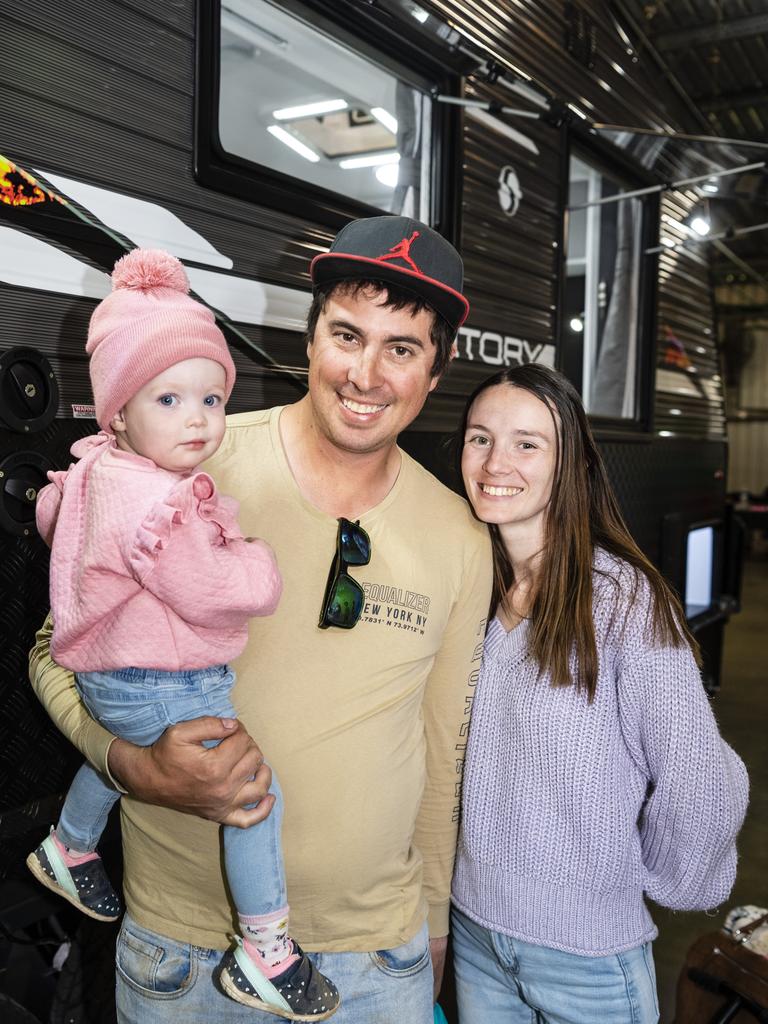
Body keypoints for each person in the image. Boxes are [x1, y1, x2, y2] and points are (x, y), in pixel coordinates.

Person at [29, 216, 493, 1024]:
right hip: (182, 948)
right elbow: (57, 644)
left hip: (378, 958)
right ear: (311, 337)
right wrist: (126, 763)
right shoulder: (187, 451)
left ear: (439, 366)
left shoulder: (459, 533)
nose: (366, 374)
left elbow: (443, 748)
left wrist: (433, 922)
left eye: (403, 348)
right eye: (347, 334)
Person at [27, 247, 341, 1019]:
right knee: (249, 794)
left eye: (211, 397)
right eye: (169, 400)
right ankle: (267, 951)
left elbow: (54, 524)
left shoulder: (100, 471)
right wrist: (257, 560)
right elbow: (215, 591)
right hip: (163, 681)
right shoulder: (153, 507)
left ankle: (68, 846)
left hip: (113, 678)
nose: (199, 419)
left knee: (120, 753)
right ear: (120, 411)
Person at [450, 364, 749, 1024]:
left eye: (527, 443)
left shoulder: (621, 602)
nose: (497, 461)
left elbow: (699, 781)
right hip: (474, 934)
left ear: (572, 463)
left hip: (584, 961)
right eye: (479, 438)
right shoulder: (469, 585)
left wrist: (632, 883)